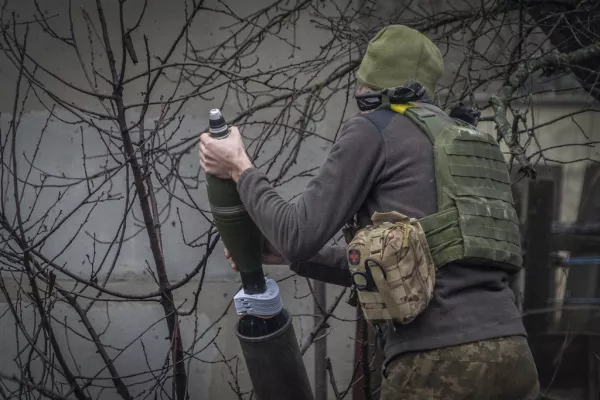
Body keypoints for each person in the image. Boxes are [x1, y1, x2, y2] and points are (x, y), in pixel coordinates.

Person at [199, 24, 540, 400]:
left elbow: (297, 234)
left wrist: (238, 167)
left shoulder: (376, 128)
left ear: (368, 86)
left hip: (438, 363)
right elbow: (415, 264)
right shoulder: (461, 142)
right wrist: (290, 257)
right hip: (514, 356)